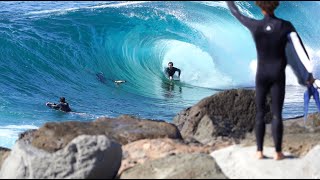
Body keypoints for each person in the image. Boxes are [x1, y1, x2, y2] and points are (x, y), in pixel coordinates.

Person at [227, 1, 315, 160]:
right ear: (276, 5)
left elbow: (236, 13)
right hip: (277, 75)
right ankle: (277, 152)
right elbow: (300, 50)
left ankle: (259, 152)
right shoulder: (286, 26)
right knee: (276, 114)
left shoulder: (255, 25)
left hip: (261, 75)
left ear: (260, 7)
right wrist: (308, 75)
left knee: (260, 113)